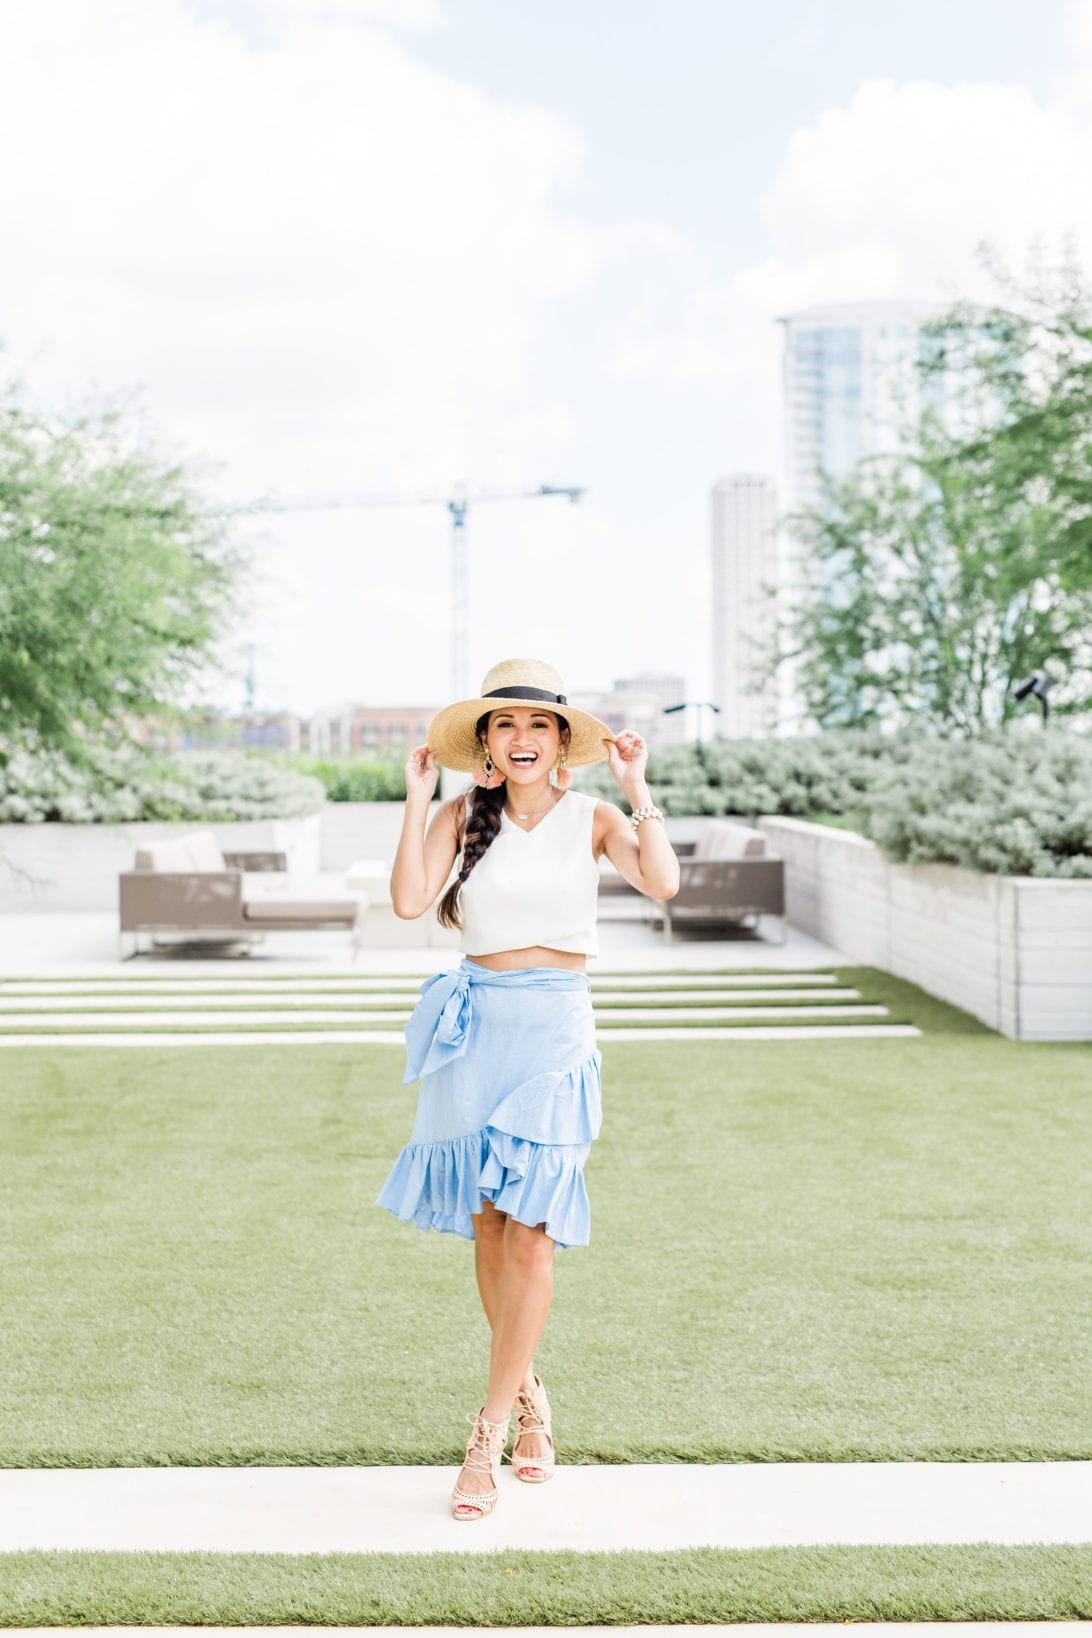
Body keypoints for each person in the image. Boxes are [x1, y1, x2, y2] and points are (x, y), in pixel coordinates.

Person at [375, 658, 679, 1521]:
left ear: (559, 743)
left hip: (553, 1031)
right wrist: (415, 799)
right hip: (474, 1032)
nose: (519, 739)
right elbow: (406, 901)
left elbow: (664, 882)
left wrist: (638, 783)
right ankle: (533, 1395)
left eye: (536, 725)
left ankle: (490, 1427)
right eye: (503, 725)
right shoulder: (464, 812)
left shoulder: (594, 816)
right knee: (489, 1227)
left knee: (532, 1236)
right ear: (486, 743)